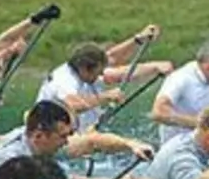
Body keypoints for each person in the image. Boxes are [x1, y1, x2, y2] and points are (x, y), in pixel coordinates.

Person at [0, 99, 153, 179]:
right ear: (40, 135)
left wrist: (131, 144)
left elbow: (90, 142)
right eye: (63, 136)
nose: (66, 141)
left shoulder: (34, 137)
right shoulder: (15, 160)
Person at [37, 33, 173, 132]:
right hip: (51, 136)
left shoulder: (83, 70)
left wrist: (139, 43)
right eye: (98, 73)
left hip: (77, 135)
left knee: (111, 75)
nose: (100, 75)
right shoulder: (64, 81)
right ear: (85, 69)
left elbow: (112, 58)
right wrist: (106, 97)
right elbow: (73, 104)